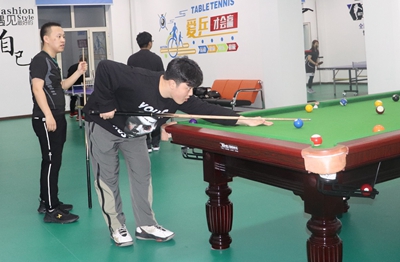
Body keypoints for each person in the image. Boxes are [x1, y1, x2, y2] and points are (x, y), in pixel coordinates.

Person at [82, 57, 271, 247]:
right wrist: (105, 104)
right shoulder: (138, 79)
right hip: (103, 126)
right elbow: (105, 68)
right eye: (188, 88)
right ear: (172, 83)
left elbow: (207, 110)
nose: (191, 94)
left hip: (134, 132)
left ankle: (146, 225)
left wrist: (243, 119)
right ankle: (116, 226)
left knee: (142, 175)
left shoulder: (179, 97)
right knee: (107, 178)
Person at [30, 22, 88, 224]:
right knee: (50, 161)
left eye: (63, 36)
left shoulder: (52, 61)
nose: (63, 40)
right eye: (59, 36)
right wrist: (48, 115)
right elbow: (37, 88)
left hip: (57, 116)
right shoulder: (40, 60)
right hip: (47, 118)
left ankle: (47, 200)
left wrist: (78, 72)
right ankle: (51, 210)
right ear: (46, 39)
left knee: (54, 161)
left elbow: (61, 86)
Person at [127, 31, 165, 152]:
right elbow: (162, 77)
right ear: (149, 43)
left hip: (138, 94)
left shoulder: (131, 59)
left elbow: (130, 77)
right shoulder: (157, 59)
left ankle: (146, 143)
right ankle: (156, 143)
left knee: (141, 117)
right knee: (155, 116)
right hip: (154, 93)